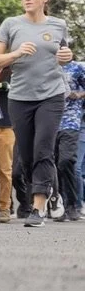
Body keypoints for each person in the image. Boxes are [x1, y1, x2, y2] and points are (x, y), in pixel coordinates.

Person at [0, 0, 74, 227]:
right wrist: (16, 53)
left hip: (51, 95)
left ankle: (38, 208)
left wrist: (67, 56)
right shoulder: (11, 24)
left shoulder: (59, 25)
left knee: (43, 149)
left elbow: (63, 55)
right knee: (25, 157)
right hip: (19, 97)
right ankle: (51, 191)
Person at [55, 58, 85, 221]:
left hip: (71, 120)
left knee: (66, 161)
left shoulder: (78, 68)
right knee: (53, 165)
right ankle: (59, 205)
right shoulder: (46, 66)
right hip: (49, 120)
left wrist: (79, 94)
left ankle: (73, 204)